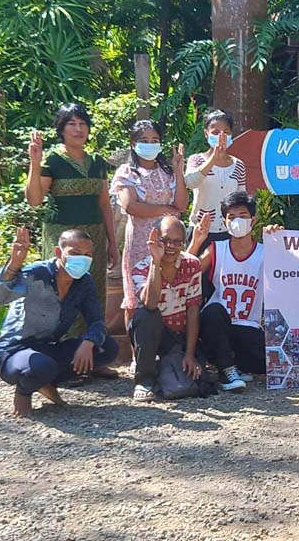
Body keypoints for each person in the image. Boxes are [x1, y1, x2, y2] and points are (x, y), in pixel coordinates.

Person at [0, 227, 119, 417]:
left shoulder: (84, 281)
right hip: (14, 351)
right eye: (75, 253)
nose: (82, 259)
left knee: (107, 347)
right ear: (59, 252)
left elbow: (96, 320)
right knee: (40, 366)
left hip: (49, 348)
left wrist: (89, 341)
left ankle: (45, 381)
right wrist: (14, 265)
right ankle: (24, 390)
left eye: (87, 255)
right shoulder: (36, 273)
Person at [25, 103, 119, 333]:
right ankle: (58, 346)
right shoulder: (53, 161)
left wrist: (112, 243)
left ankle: (92, 345)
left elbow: (104, 204)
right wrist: (35, 164)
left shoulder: (97, 161)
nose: (78, 129)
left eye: (82, 124)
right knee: (61, 288)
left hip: (94, 240)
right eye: (72, 124)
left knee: (92, 291)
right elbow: (34, 199)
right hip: (63, 239)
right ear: (61, 129)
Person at [111, 119, 188, 368]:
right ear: (133, 143)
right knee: (135, 298)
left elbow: (182, 204)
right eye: (144, 140)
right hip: (140, 243)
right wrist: (166, 209)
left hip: (170, 244)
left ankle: (166, 350)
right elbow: (131, 206)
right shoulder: (127, 172)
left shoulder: (168, 172)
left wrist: (178, 170)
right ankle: (138, 355)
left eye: (155, 140)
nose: (150, 144)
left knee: (167, 292)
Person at [190, 191, 283, 391]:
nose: (237, 221)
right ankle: (227, 371)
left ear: (253, 220)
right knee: (213, 310)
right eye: (231, 217)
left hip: (248, 329)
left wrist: (281, 242)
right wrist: (196, 242)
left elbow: (292, 274)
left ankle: (236, 364)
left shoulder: (266, 252)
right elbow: (184, 273)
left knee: (275, 362)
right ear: (224, 222)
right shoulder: (216, 249)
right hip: (217, 327)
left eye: (243, 216)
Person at [129, 216, 203, 401]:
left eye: (177, 242)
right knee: (147, 315)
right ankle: (144, 380)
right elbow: (150, 303)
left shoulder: (192, 264)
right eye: (165, 240)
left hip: (179, 335)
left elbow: (193, 310)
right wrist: (156, 262)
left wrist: (190, 354)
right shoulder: (141, 268)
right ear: (154, 239)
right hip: (153, 333)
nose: (171, 246)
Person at [184, 109, 247, 251]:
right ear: (206, 133)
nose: (221, 136)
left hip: (228, 231)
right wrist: (214, 158)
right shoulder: (196, 160)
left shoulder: (238, 165)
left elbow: (241, 198)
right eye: (216, 132)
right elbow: (190, 182)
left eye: (226, 132)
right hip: (200, 231)